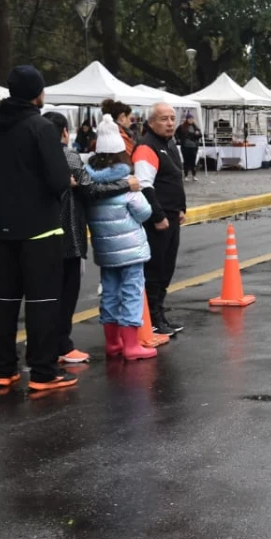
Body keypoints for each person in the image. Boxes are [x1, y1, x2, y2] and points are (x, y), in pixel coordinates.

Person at [0, 65, 75, 392]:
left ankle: (4, 369)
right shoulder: (40, 127)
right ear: (37, 92)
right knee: (43, 302)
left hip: (4, 229)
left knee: (3, 302)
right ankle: (44, 373)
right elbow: (60, 180)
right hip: (41, 230)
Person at [44, 111, 136, 366]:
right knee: (66, 291)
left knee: (42, 294)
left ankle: (41, 344)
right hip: (68, 233)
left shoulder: (31, 155)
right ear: (65, 132)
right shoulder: (68, 155)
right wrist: (127, 185)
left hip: (37, 233)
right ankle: (62, 344)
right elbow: (91, 188)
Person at [86, 115, 157, 361]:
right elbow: (144, 212)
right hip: (130, 250)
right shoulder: (126, 184)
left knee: (109, 292)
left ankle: (112, 342)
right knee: (132, 292)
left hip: (105, 251)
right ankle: (130, 346)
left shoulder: (91, 186)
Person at [134, 102, 188, 337]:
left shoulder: (169, 144)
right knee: (154, 270)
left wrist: (181, 208)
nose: (169, 123)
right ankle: (152, 318)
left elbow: (174, 178)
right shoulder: (147, 146)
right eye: (164, 119)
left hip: (173, 216)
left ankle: (159, 313)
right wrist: (158, 216)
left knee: (167, 268)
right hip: (158, 220)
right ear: (151, 122)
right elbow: (144, 185)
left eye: (172, 118)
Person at [175, 113, 203, 181]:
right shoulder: (182, 127)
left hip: (193, 146)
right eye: (189, 119)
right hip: (185, 146)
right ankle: (186, 175)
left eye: (192, 119)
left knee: (193, 161)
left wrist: (198, 134)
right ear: (187, 119)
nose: (191, 120)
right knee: (186, 161)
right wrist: (178, 140)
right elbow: (176, 134)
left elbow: (200, 135)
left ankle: (194, 175)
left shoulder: (195, 127)